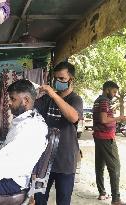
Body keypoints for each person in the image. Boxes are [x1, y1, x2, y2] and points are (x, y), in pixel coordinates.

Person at [34, 61, 83, 205]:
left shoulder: (75, 99)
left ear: (71, 80)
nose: (58, 82)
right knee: (39, 199)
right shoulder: (46, 99)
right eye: (56, 78)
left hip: (65, 161)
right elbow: (30, 109)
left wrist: (54, 96)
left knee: (63, 201)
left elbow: (73, 117)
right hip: (44, 160)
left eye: (62, 79)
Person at [92, 81, 126, 205]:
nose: (115, 94)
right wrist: (119, 118)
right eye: (113, 91)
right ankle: (116, 199)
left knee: (100, 165)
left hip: (98, 136)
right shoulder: (104, 101)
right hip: (106, 138)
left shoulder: (97, 100)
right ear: (107, 89)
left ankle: (102, 193)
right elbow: (104, 119)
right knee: (115, 167)